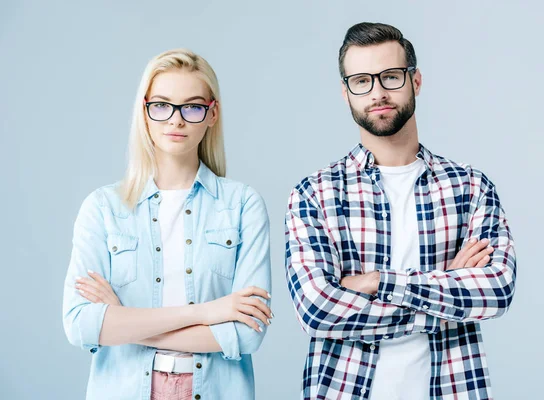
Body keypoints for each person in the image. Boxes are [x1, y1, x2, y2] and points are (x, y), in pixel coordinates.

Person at [285, 22, 516, 400]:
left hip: (453, 388)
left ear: (416, 81)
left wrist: (377, 283)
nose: (377, 93)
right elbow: (317, 310)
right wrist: (446, 283)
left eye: (391, 76)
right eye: (361, 81)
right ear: (346, 93)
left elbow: (497, 290)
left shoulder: (471, 187)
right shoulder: (315, 194)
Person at [63, 48, 272, 400]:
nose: (175, 120)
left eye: (191, 107)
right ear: (144, 112)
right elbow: (80, 324)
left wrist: (123, 320)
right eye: (161, 105)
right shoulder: (102, 208)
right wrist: (209, 312)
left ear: (212, 114)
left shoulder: (242, 205)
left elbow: (246, 334)